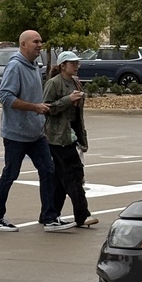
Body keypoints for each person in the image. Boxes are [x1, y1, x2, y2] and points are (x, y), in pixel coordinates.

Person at [0, 30, 74, 233]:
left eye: (41, 41)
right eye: (35, 42)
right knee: (10, 173)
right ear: (23, 44)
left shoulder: (34, 66)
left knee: (48, 171)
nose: (39, 45)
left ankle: (49, 218)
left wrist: (40, 120)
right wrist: (35, 108)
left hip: (35, 134)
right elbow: (5, 97)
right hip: (16, 134)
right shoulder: (15, 66)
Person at [43, 52, 99, 227]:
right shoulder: (54, 83)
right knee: (74, 175)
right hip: (58, 137)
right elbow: (47, 108)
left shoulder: (76, 83)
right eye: (72, 63)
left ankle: (49, 214)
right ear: (62, 65)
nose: (76, 66)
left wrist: (82, 138)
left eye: (77, 63)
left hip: (71, 135)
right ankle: (82, 215)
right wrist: (69, 99)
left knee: (61, 179)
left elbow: (77, 116)